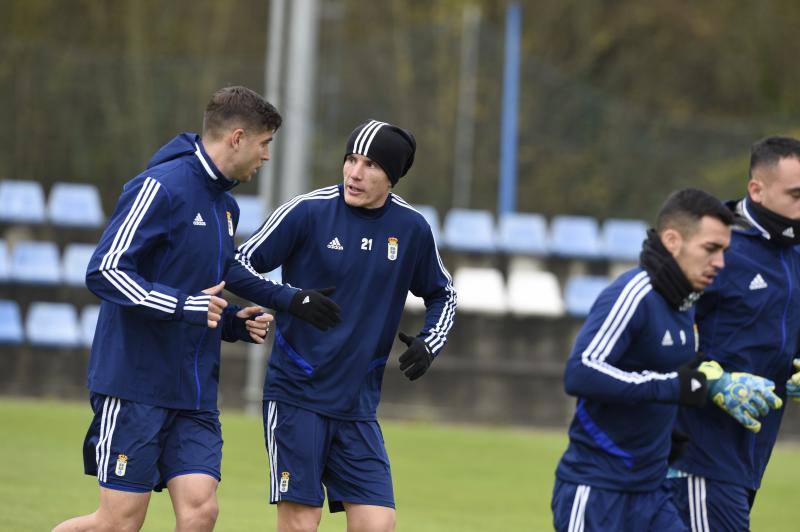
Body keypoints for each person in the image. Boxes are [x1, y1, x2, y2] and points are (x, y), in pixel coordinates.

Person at [53, 86, 323, 532]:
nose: (267, 156)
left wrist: (235, 321)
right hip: (135, 384)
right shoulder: (160, 186)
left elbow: (214, 280)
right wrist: (186, 305)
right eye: (265, 143)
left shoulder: (226, 206)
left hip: (194, 393)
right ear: (237, 138)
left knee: (201, 510)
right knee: (118, 522)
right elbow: (105, 270)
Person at [224, 119, 457, 531]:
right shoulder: (307, 211)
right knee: (302, 521)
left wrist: (429, 342)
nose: (354, 173)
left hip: (357, 405)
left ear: (393, 176)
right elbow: (235, 265)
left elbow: (443, 294)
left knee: (378, 523)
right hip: (298, 394)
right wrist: (291, 299)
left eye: (370, 165)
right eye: (350, 160)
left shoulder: (411, 229)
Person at [551, 188, 781, 532]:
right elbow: (581, 372)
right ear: (673, 240)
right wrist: (674, 386)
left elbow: (677, 380)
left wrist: (720, 383)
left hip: (652, 494)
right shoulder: (635, 293)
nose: (720, 262)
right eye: (711, 249)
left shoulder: (686, 305)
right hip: (598, 490)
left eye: (724, 251)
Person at [668, 136, 800, 531]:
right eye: (795, 194)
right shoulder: (715, 249)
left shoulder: (796, 253)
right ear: (756, 189)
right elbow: (659, 341)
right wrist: (715, 382)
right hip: (698, 449)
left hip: (752, 451)